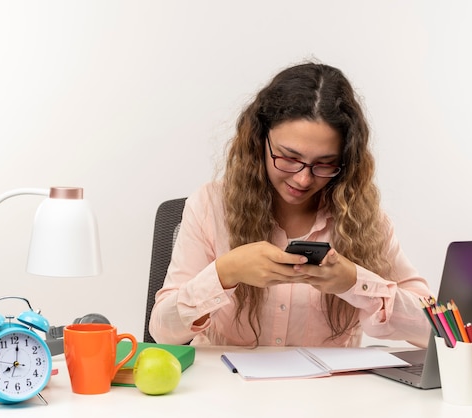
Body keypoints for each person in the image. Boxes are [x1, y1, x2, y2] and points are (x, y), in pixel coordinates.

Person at [149, 62, 432, 348]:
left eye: (325, 164)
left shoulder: (363, 220)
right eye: (288, 157)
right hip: (227, 387)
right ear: (260, 140)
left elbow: (434, 330)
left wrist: (355, 283)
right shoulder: (210, 205)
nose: (303, 178)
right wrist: (225, 273)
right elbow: (163, 331)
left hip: (329, 390)